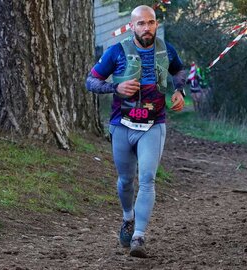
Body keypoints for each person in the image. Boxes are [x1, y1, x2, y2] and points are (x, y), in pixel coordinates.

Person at [85, 5, 187, 258]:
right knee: (125, 180)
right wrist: (115, 89)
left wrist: (179, 90)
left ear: (155, 24)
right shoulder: (117, 51)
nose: (147, 28)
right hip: (122, 124)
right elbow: (91, 81)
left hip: (154, 124)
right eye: (141, 23)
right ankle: (128, 218)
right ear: (132, 26)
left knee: (148, 179)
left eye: (151, 22)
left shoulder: (165, 49)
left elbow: (179, 71)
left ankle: (139, 236)